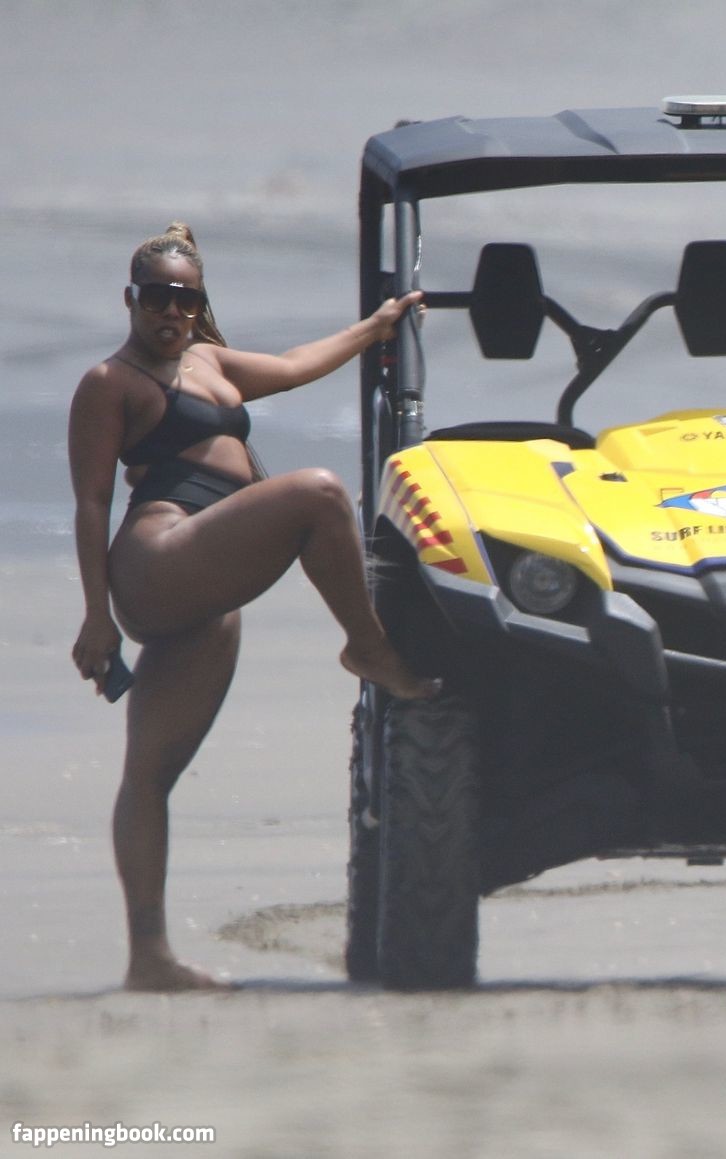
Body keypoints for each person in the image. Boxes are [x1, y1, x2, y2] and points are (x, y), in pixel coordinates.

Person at [68, 222, 440, 992]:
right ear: (130, 299)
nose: (172, 312)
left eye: (186, 299)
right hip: (157, 560)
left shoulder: (207, 360)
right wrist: (96, 616)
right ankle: (367, 646)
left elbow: (296, 365)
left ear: (200, 304)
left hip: (205, 589)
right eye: (157, 298)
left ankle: (148, 957)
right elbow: (92, 502)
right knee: (318, 494)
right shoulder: (110, 383)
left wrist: (376, 326)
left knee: (149, 775)